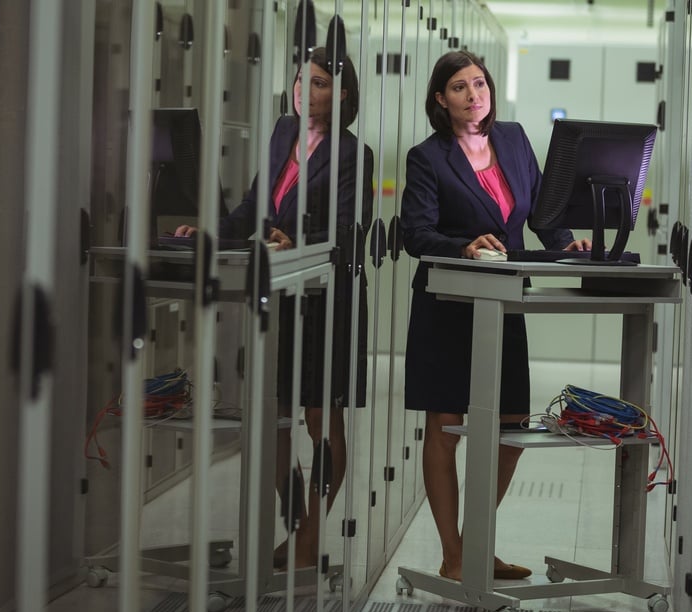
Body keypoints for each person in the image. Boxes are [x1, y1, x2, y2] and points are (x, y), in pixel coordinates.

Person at [175, 46, 373, 569]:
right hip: (281, 293)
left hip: (329, 295)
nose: (308, 91)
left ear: (344, 94)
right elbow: (252, 207)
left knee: (319, 417)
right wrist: (213, 236)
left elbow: (348, 225)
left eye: (322, 83)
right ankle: (300, 523)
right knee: (274, 416)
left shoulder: (354, 153)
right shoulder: (282, 135)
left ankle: (308, 539)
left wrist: (294, 239)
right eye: (302, 81)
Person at [399, 50, 588, 582]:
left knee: (510, 425)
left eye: (479, 83)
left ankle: (474, 541)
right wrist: (462, 246)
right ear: (441, 99)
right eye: (459, 87)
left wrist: (566, 243)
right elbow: (416, 232)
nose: (473, 94)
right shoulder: (427, 157)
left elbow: (543, 214)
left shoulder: (513, 139)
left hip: (504, 300)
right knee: (445, 425)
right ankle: (454, 556)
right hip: (447, 303)